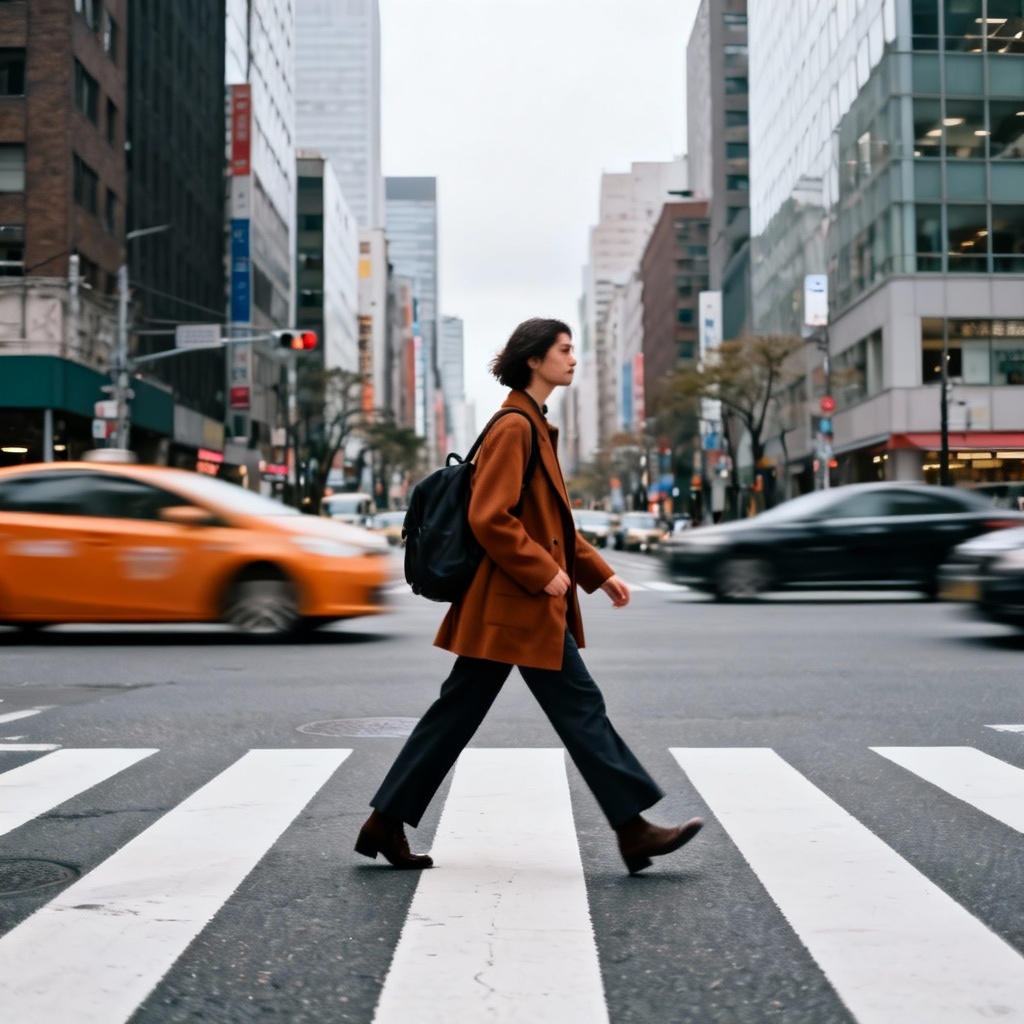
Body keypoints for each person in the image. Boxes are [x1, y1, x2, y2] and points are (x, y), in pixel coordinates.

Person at [355, 318, 703, 875]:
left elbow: (553, 524)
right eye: (564, 350)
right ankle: (633, 830)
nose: (573, 359)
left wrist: (599, 572)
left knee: (456, 715)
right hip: (517, 601)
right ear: (535, 360)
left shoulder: (533, 423)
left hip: (509, 603)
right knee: (579, 707)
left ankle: (384, 822)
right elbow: (489, 516)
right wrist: (544, 573)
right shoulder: (515, 427)